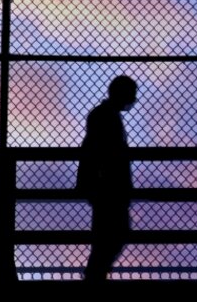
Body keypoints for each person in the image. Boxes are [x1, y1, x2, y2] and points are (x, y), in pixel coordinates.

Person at [79, 75, 137, 281]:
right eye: (132, 95)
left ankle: (96, 275)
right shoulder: (106, 116)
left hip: (105, 185)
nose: (133, 100)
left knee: (107, 236)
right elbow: (104, 153)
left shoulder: (104, 114)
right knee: (113, 234)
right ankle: (95, 276)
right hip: (107, 186)